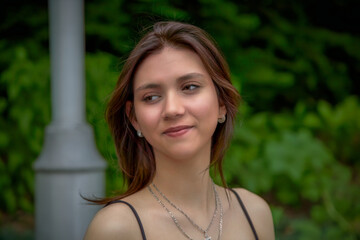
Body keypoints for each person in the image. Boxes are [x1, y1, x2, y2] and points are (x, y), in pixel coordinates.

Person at [84, 21, 274, 240]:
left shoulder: (254, 213)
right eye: (152, 97)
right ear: (134, 118)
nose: (172, 109)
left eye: (190, 87)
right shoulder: (116, 228)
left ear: (221, 102)